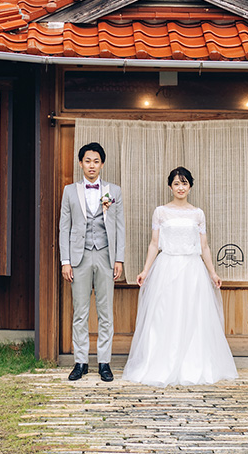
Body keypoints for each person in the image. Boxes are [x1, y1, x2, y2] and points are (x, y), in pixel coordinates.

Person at [122, 166, 237, 387]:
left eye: (184, 183)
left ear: (190, 186)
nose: (180, 187)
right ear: (170, 187)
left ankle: (192, 363)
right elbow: (154, 244)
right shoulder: (161, 212)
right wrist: (145, 271)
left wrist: (213, 273)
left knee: (193, 316)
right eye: (176, 183)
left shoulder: (198, 213)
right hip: (167, 268)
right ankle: (161, 362)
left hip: (193, 269)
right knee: (165, 315)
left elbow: (204, 246)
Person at [59, 142, 125, 382]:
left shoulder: (113, 191)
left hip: (106, 255)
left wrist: (119, 258)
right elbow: (63, 227)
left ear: (102, 164)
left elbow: (119, 227)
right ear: (80, 163)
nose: (92, 165)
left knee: (106, 312)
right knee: (80, 312)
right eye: (88, 161)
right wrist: (65, 261)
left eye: (96, 161)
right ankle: (81, 362)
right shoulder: (69, 191)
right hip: (79, 256)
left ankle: (104, 363)